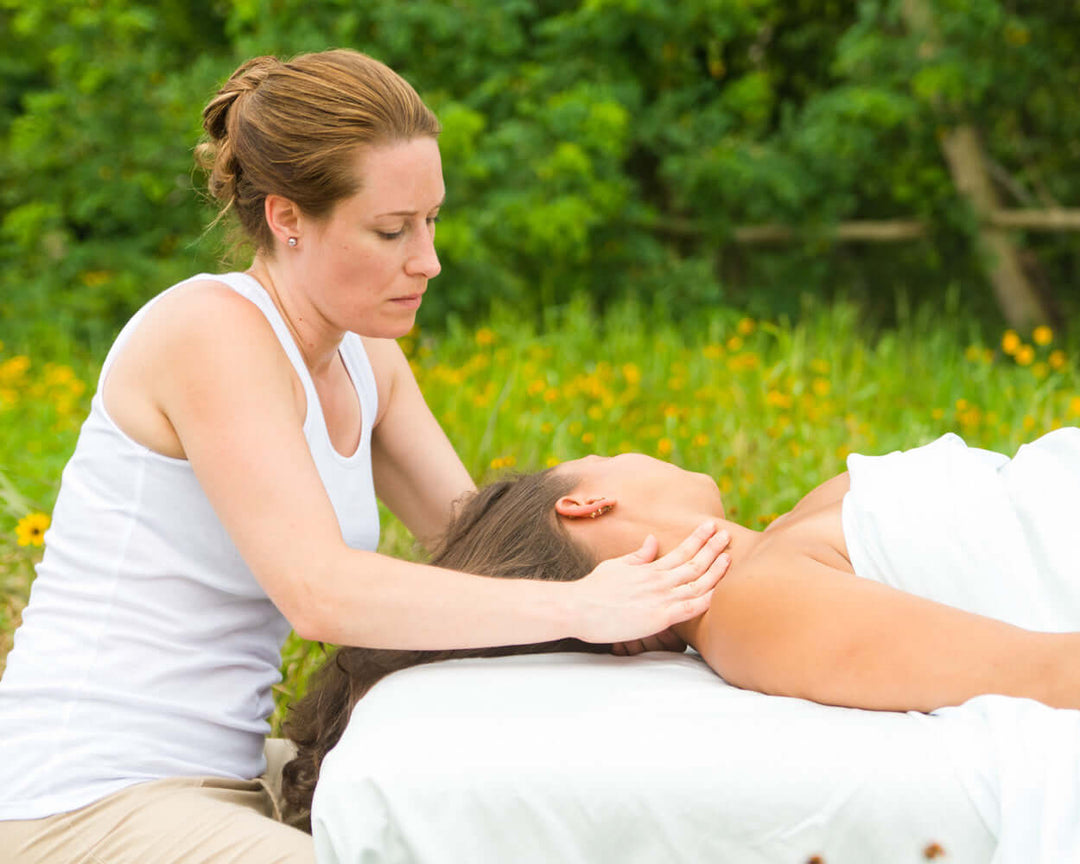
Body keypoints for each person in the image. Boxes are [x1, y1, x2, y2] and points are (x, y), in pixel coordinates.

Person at [0, 50, 730, 863]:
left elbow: (481, 553)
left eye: (431, 222)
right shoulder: (210, 332)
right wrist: (581, 608)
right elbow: (320, 591)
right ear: (287, 219)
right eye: (391, 231)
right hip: (80, 797)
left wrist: (663, 605)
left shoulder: (364, 357)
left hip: (224, 778)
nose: (427, 261)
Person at [281, 427, 1080, 813]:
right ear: (587, 503)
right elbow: (1045, 674)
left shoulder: (783, 542)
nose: (627, 449)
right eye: (600, 452)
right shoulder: (755, 609)